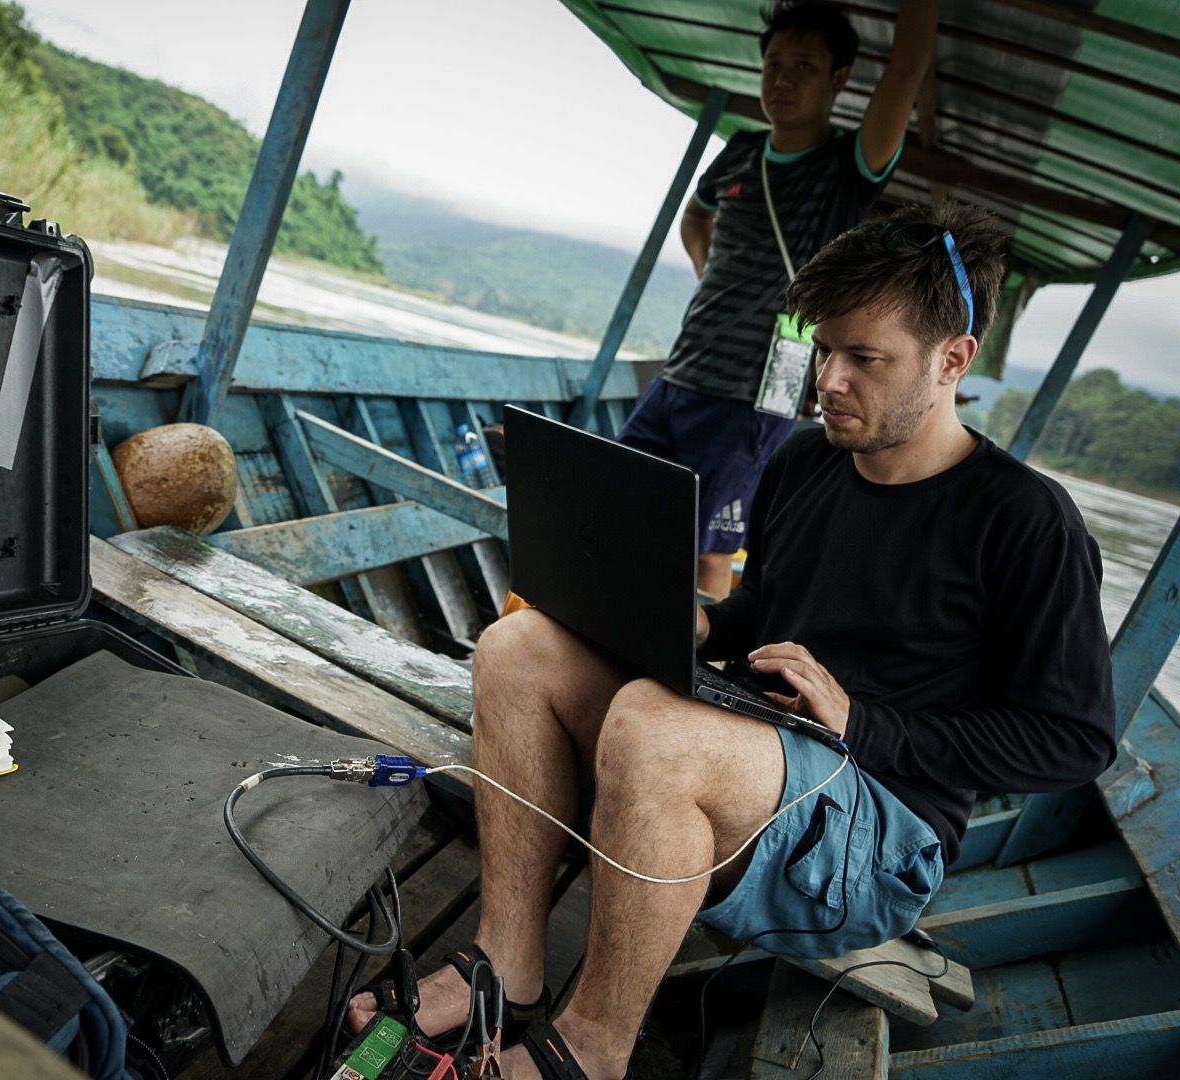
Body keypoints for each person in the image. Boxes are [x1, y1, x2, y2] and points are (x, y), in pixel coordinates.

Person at [348, 200, 1118, 1080]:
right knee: (517, 648)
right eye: (824, 349)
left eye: (864, 359)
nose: (827, 379)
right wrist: (705, 622)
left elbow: (1076, 740)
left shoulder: (1026, 521)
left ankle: (593, 1048)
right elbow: (765, 609)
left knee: (652, 724)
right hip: (764, 748)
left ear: (953, 360)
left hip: (881, 835)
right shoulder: (800, 460)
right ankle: (506, 969)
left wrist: (860, 721)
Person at [618, 0, 938, 599]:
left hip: (754, 395)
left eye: (804, 67)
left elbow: (907, 67)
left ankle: (689, 683)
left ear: (838, 80)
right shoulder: (740, 151)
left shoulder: (848, 166)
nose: (783, 80)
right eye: (773, 65)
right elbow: (696, 214)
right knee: (614, 504)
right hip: (679, 374)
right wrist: (712, 273)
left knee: (709, 550)